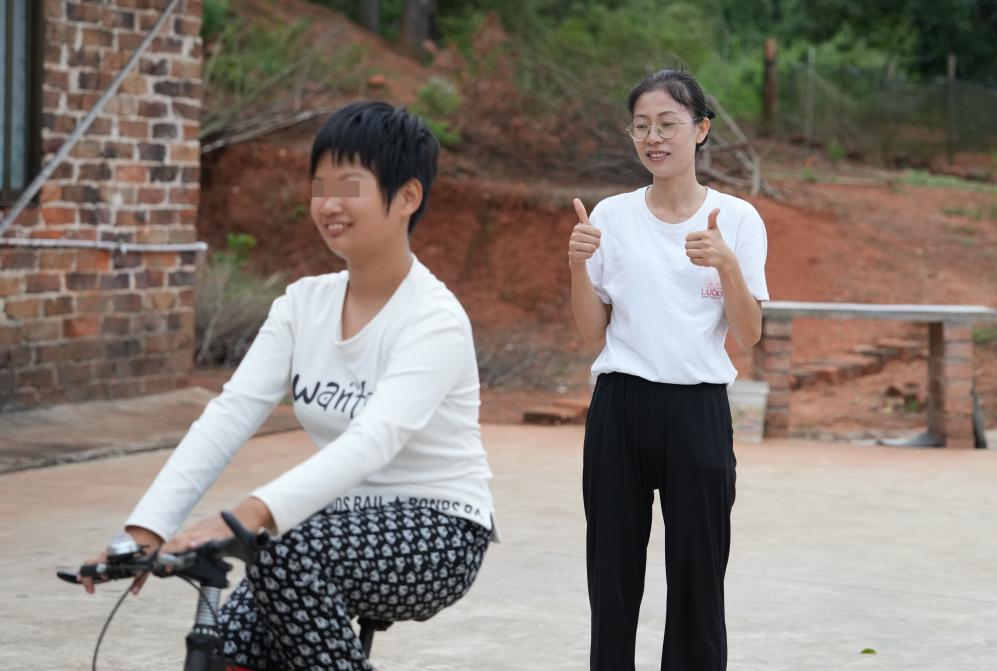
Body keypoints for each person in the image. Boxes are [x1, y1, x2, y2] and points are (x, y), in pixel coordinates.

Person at [77, 101, 497, 671]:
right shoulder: (303, 304)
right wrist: (145, 530)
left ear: (407, 197)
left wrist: (249, 514)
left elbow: (373, 439)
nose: (328, 204)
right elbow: (230, 414)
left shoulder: (432, 318)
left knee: (282, 549)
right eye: (319, 187)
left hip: (439, 530)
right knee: (232, 647)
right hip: (328, 526)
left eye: (349, 187)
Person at [568, 69, 769, 670]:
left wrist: (726, 266)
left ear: (701, 130)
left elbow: (749, 334)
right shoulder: (612, 215)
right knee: (611, 576)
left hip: (697, 410)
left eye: (667, 124)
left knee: (698, 578)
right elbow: (591, 331)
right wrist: (576, 265)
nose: (653, 138)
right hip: (620, 408)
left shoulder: (737, 219)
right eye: (641, 126)